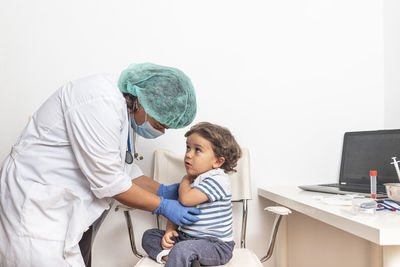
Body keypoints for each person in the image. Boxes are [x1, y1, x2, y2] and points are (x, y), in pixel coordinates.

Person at [0, 63, 201, 267]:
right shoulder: (99, 100)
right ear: (144, 103)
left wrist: (164, 190)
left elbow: (125, 171)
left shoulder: (127, 112)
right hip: (37, 206)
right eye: (160, 125)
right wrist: (163, 206)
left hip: (69, 210)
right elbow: (111, 181)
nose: (161, 132)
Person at [142, 122, 242, 267]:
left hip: (215, 245)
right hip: (186, 239)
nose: (188, 154)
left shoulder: (218, 179)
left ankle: (179, 257)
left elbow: (185, 200)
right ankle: (173, 258)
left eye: (197, 150)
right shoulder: (195, 180)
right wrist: (170, 231)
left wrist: (185, 179)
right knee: (149, 236)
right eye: (188, 147)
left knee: (182, 249)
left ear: (218, 161)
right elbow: (177, 210)